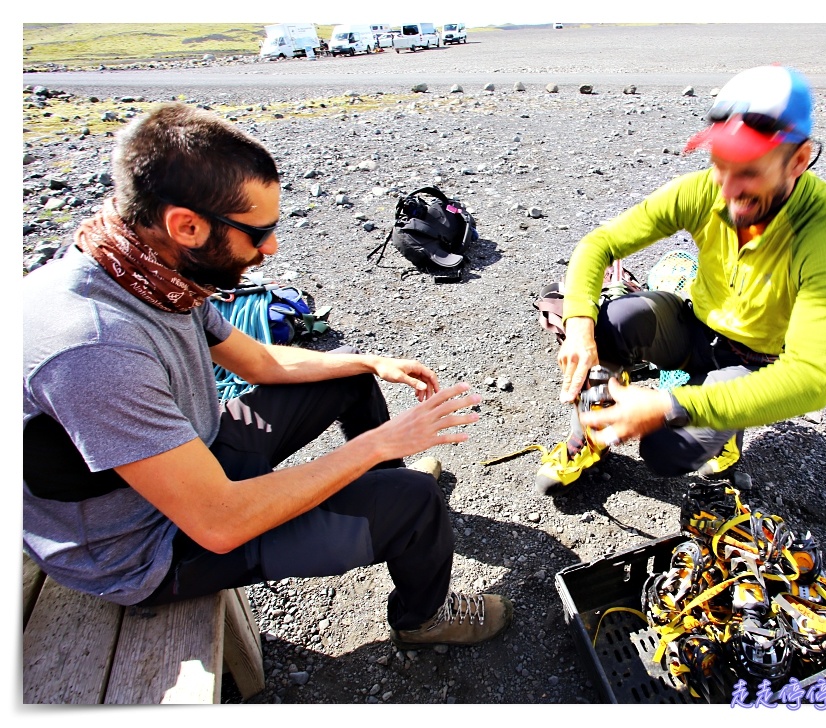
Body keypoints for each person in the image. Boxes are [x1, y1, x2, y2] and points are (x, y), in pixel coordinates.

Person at [22, 103, 512, 650]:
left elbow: (260, 362)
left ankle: (389, 489)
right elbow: (219, 523)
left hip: (191, 460)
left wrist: (370, 363)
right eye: (259, 232)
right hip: (152, 544)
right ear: (186, 225)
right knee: (417, 501)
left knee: (347, 378)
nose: (271, 247)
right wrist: (374, 446)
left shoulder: (147, 270)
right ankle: (424, 618)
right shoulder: (97, 346)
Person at [534, 65, 826, 496]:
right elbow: (599, 243)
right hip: (694, 325)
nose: (727, 189)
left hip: (753, 362)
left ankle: (723, 440)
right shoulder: (706, 189)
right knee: (608, 323)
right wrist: (579, 327)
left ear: (799, 160)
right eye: (721, 164)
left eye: (749, 170)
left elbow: (810, 379)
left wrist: (666, 405)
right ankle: (591, 435)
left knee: (665, 451)